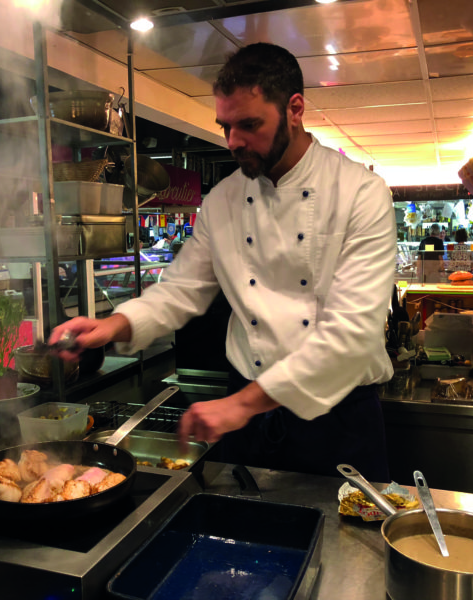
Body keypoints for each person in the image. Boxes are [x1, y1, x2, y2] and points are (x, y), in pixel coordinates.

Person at [51, 43, 396, 481]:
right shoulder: (223, 200)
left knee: (348, 548)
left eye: (249, 125)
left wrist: (241, 404)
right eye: (226, 126)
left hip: (337, 418)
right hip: (248, 417)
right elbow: (181, 290)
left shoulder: (361, 194)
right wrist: (113, 326)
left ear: (295, 109)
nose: (233, 141)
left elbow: (352, 334)